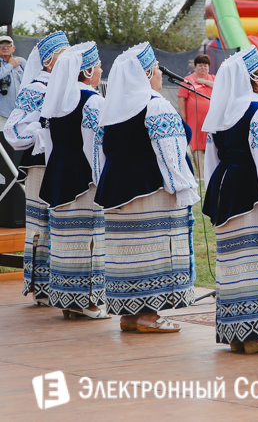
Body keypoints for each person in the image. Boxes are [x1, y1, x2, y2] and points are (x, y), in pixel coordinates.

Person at [95, 42, 199, 333]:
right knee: (152, 249)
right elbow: (171, 151)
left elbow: (103, 152)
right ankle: (149, 316)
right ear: (147, 73)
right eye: (156, 71)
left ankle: (129, 315)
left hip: (116, 190)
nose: (160, 77)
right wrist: (182, 187)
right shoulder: (155, 104)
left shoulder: (111, 110)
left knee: (129, 252)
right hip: (150, 190)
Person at [201, 46, 258, 354]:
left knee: (233, 262)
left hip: (225, 189)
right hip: (253, 194)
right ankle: (256, 335)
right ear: (257, 77)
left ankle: (238, 335)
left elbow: (211, 159)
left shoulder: (224, 108)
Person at [37, 42, 109, 320]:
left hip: (59, 173)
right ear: (88, 70)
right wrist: (100, 179)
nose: (101, 70)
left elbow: (52, 143)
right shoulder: (92, 100)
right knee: (87, 238)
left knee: (66, 239)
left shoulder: (58, 99)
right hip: (83, 179)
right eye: (99, 65)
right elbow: (95, 146)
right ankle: (87, 302)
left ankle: (68, 299)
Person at [5, 30, 70, 305]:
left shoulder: (70, 88)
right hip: (41, 165)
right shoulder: (35, 88)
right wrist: (45, 131)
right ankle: (42, 288)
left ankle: (63, 284)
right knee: (41, 224)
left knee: (64, 224)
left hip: (66, 163)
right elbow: (15, 130)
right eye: (64, 57)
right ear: (49, 61)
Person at [177, 54, 215, 174]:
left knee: (212, 144)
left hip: (212, 118)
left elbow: (221, 88)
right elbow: (181, 99)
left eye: (205, 65)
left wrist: (204, 81)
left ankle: (211, 170)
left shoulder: (213, 78)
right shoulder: (188, 80)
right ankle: (200, 173)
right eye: (200, 65)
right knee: (197, 144)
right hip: (195, 119)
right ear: (195, 67)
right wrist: (184, 117)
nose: (203, 68)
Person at [0, 35, 25, 129]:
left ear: (13, 48)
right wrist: (10, 65)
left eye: (8, 45)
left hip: (20, 112)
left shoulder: (21, 62)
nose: (5, 47)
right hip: (2, 113)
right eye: (2, 44)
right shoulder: (12, 63)